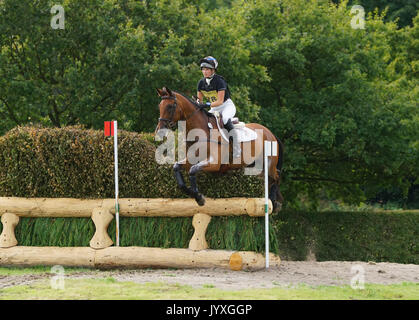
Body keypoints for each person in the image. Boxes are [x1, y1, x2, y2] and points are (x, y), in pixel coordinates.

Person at [196, 56, 241, 158]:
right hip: (214, 108)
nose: (205, 72)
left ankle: (237, 147)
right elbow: (200, 99)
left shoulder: (219, 81)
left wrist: (206, 105)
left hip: (226, 106)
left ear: (213, 70)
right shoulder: (201, 83)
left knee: (225, 119)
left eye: (207, 69)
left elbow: (220, 101)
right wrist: (198, 102)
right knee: (205, 120)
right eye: (203, 69)